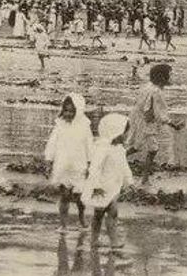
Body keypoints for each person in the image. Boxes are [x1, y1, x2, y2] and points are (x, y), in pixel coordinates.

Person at [126, 63, 184, 187]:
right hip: (146, 123)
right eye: (169, 75)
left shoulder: (147, 87)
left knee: (137, 147)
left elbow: (141, 105)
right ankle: (144, 179)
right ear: (161, 77)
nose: (170, 77)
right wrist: (173, 124)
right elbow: (159, 114)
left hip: (139, 120)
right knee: (152, 149)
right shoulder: (156, 91)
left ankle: (143, 177)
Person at [82, 112, 132, 249]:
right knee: (98, 214)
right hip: (101, 188)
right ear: (116, 132)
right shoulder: (103, 149)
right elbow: (94, 168)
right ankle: (95, 239)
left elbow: (124, 166)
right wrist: (96, 186)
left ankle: (112, 240)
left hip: (113, 187)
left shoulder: (120, 149)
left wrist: (129, 181)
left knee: (113, 213)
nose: (127, 135)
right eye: (125, 132)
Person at [44, 93, 94, 230]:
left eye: (72, 111)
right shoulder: (59, 125)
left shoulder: (84, 126)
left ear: (78, 111)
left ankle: (82, 216)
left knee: (79, 197)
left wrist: (90, 164)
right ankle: (63, 224)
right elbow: (52, 144)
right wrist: (49, 160)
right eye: (65, 110)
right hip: (63, 165)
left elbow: (89, 145)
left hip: (79, 166)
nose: (68, 114)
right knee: (64, 196)